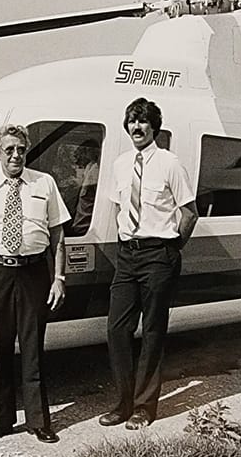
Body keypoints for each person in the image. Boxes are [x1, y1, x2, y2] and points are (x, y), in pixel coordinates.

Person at [0, 124, 70, 444]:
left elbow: (58, 236)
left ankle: (39, 422)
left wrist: (58, 278)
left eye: (21, 150)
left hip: (34, 273)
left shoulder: (44, 183)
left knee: (33, 347)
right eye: (9, 150)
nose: (15, 155)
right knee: (0, 348)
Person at [100, 98, 198, 430]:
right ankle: (123, 403)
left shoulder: (170, 164)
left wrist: (171, 248)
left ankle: (144, 407)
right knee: (117, 329)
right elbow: (119, 208)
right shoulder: (120, 164)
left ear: (154, 127)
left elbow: (189, 213)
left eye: (143, 121)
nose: (137, 127)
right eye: (132, 121)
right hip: (127, 255)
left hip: (159, 254)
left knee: (153, 331)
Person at [68, 139, 100, 236]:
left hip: (84, 225)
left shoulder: (95, 169)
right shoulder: (89, 167)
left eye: (86, 151)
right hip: (79, 222)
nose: (82, 156)